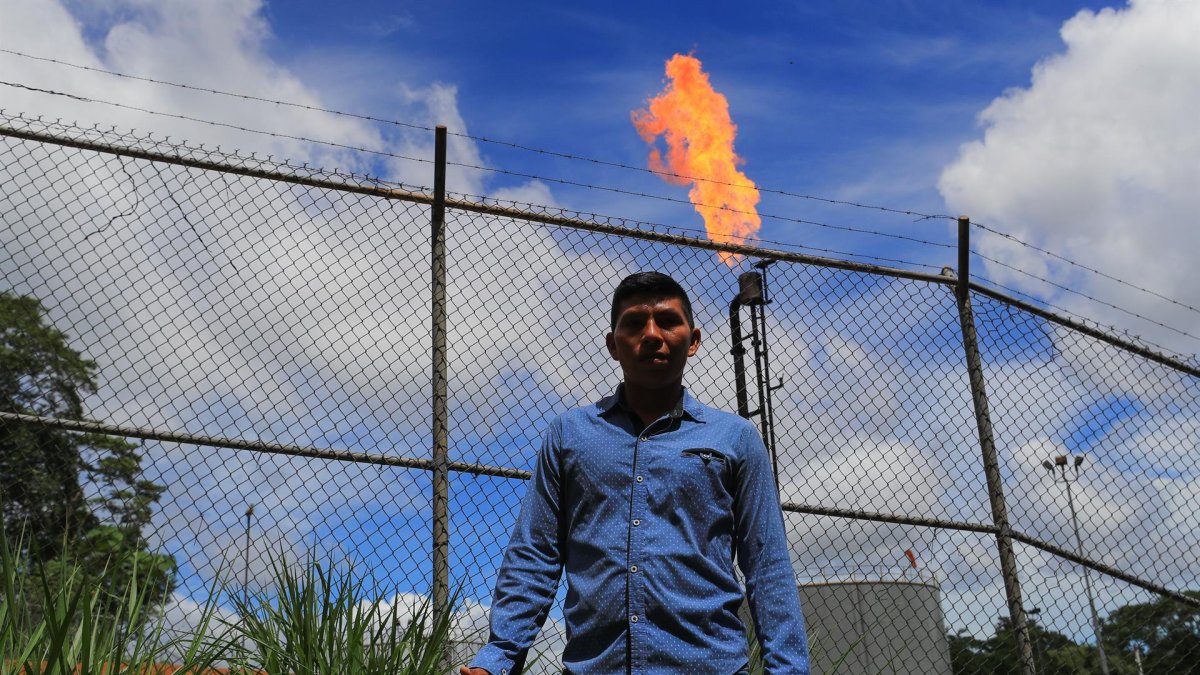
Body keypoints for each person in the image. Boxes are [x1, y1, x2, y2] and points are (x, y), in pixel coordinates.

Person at [461, 272, 809, 674]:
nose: (651, 334)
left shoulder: (735, 439)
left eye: (667, 321)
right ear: (613, 344)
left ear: (693, 340)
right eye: (634, 323)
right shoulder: (570, 435)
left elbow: (767, 565)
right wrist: (499, 658)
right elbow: (535, 554)